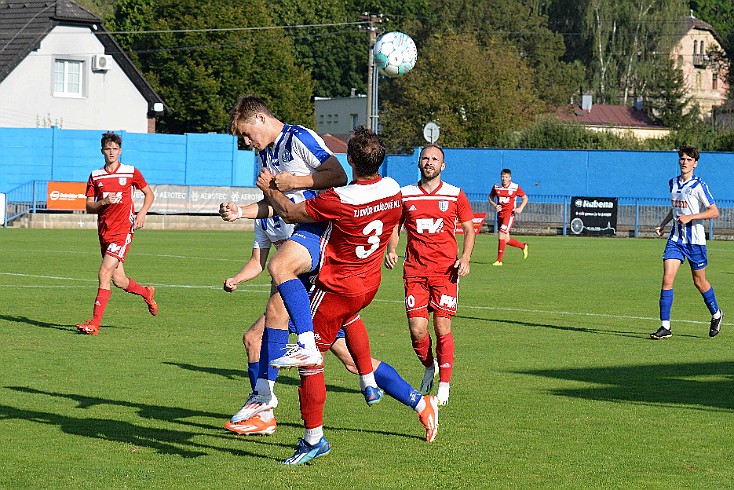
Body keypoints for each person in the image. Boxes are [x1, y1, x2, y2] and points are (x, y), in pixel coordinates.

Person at [257, 127, 439, 465]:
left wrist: (270, 187)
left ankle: (313, 439)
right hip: (367, 284)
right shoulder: (393, 188)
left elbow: (291, 213)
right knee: (352, 357)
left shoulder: (341, 199)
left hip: (336, 288)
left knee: (310, 363)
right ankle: (411, 398)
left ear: (350, 160)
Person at [218, 95, 354, 424]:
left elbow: (338, 174)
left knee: (279, 269)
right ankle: (264, 403)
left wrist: (295, 181)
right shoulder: (266, 154)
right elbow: (277, 204)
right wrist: (242, 211)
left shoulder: (299, 138)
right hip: (300, 236)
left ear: (261, 119)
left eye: (248, 134)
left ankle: (305, 347)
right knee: (273, 318)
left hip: (321, 231)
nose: (247, 143)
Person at [385, 144, 475, 406]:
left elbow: (469, 230)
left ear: (442, 166)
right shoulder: (405, 195)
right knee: (417, 330)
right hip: (414, 272)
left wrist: (465, 258)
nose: (429, 162)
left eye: (435, 159)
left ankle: (444, 384)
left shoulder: (455, 194)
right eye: (425, 158)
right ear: (419, 162)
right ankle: (428, 366)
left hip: (446, 272)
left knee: (442, 326)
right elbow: (394, 226)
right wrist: (392, 249)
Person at [75, 132, 158, 335]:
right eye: (107, 148)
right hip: (105, 231)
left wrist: (142, 214)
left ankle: (94, 324)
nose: (111, 152)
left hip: (123, 230)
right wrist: (104, 202)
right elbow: (88, 206)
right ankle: (146, 293)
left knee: (103, 273)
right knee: (119, 280)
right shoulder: (96, 175)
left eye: (115, 148)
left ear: (120, 151)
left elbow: (149, 193)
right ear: (102, 151)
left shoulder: (130, 172)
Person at [651, 145, 724, 340]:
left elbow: (714, 211)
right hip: (676, 239)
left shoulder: (699, 185)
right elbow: (674, 210)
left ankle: (716, 314)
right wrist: (663, 224)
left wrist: (691, 216)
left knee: (699, 282)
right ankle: (665, 326)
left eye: (689, 159)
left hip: (695, 242)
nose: (685, 162)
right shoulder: (672, 183)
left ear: (695, 164)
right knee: (667, 278)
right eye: (682, 159)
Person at [488, 168, 529, 266]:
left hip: (509, 215)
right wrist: (495, 205)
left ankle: (499, 260)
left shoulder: (515, 187)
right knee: (506, 239)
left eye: (506, 177)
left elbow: (525, 198)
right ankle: (523, 246)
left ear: (510, 178)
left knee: (501, 234)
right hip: (500, 215)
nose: (504, 179)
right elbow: (490, 197)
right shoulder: (496, 187)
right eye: (502, 177)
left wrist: (520, 208)